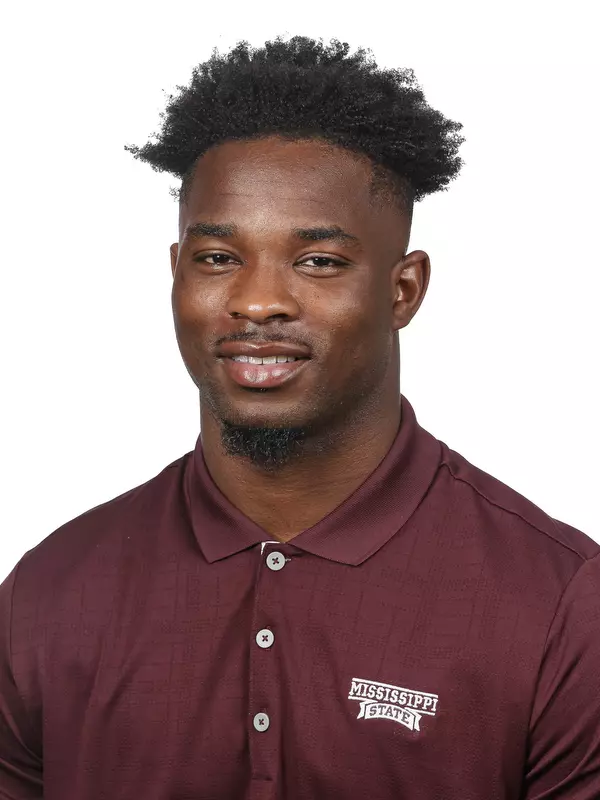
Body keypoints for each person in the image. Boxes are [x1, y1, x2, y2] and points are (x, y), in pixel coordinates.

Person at [0, 35, 598, 800]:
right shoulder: (51, 592)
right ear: (175, 273)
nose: (257, 301)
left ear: (403, 290)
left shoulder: (557, 601)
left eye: (318, 261)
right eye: (218, 257)